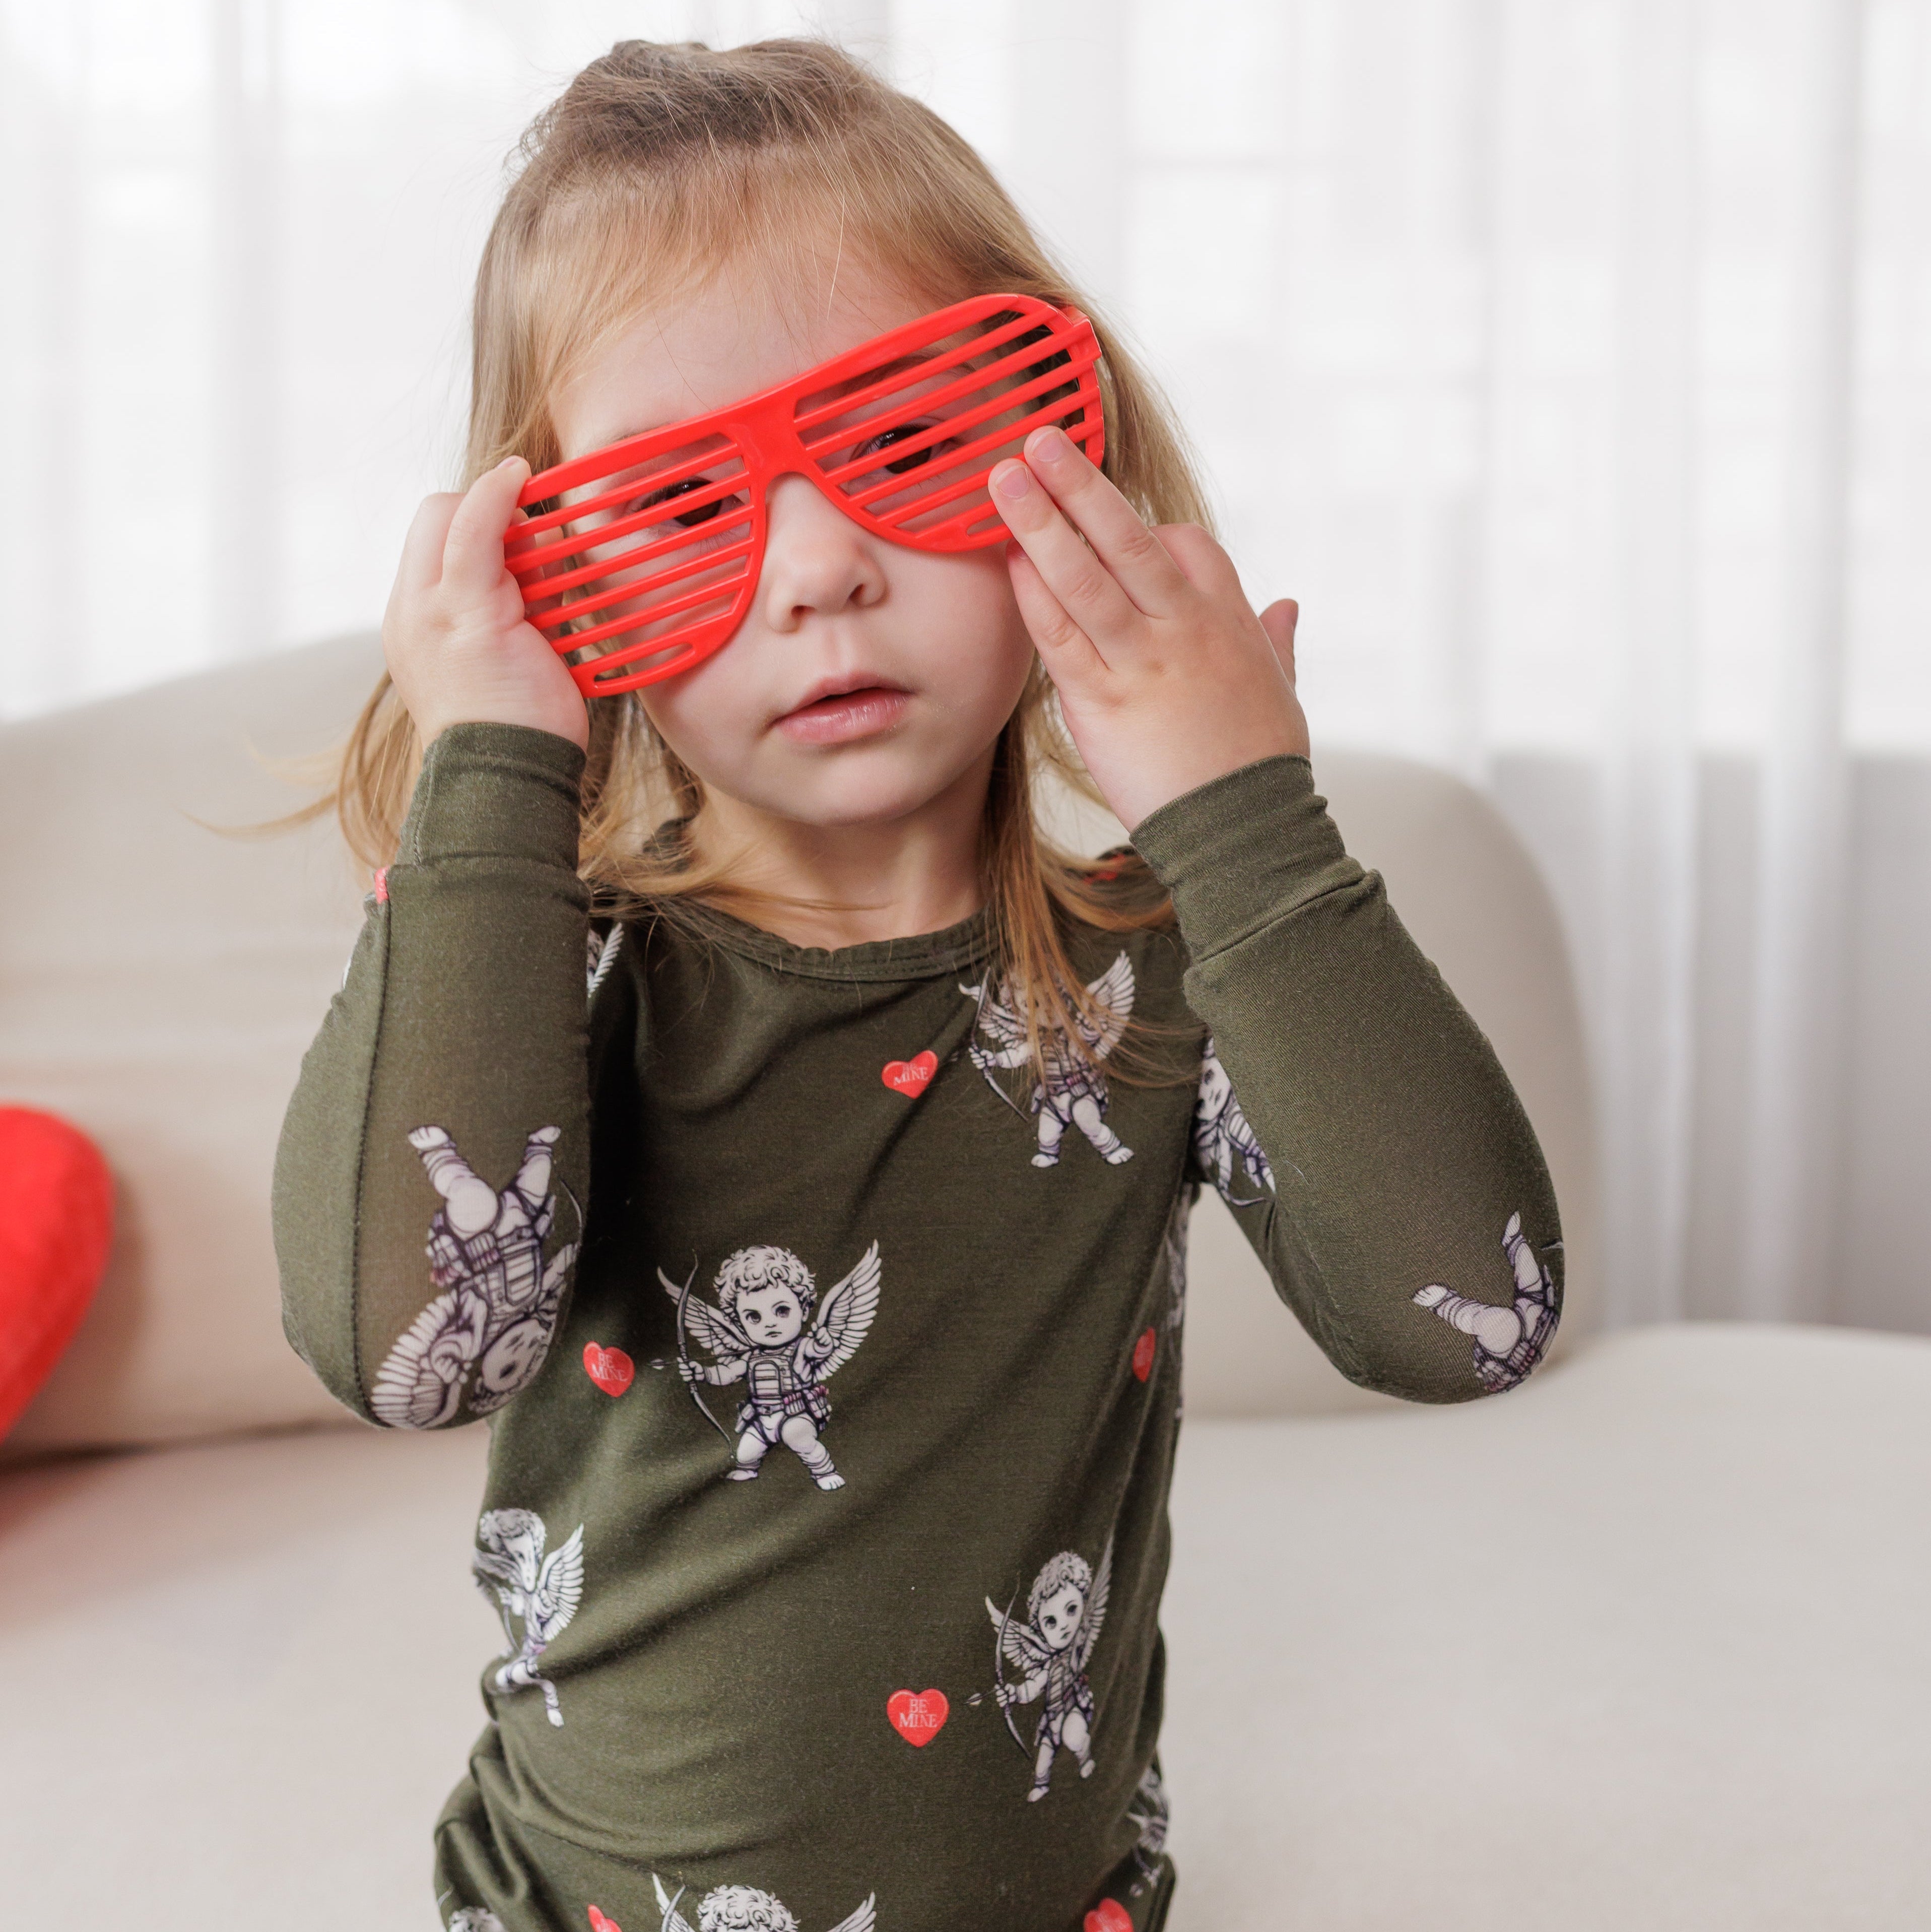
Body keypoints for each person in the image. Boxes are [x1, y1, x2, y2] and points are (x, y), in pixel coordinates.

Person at [273, 36, 1565, 1932]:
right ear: (552, 582)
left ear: (1073, 465)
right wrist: (489, 787)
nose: (817, 569)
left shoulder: (1163, 964)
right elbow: (407, 1351)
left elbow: (1470, 1320)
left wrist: (1242, 818)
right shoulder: (557, 978)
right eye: (675, 506)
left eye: (902, 442)